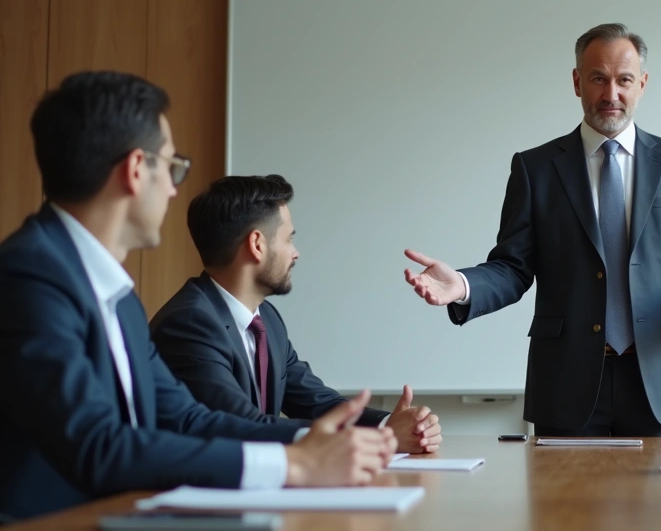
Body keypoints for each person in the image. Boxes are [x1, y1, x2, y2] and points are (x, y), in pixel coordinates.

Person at [402, 23, 661, 436]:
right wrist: (462, 285)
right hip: (565, 381)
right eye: (598, 79)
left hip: (654, 381)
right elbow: (512, 269)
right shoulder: (535, 168)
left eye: (624, 80)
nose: (611, 94)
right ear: (577, 83)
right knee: (560, 494)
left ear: (642, 84)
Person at [0, 72, 395, 521]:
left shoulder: (117, 296)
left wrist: (313, 444)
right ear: (135, 169)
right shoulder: (29, 278)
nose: (173, 189)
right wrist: (294, 465)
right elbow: (99, 445)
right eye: (171, 167)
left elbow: (189, 419)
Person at [150, 175, 442, 454]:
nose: (295, 252)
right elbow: (242, 426)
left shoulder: (266, 319)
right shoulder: (190, 324)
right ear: (257, 245)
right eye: (288, 239)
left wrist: (387, 424)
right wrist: (380, 438)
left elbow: (315, 401)